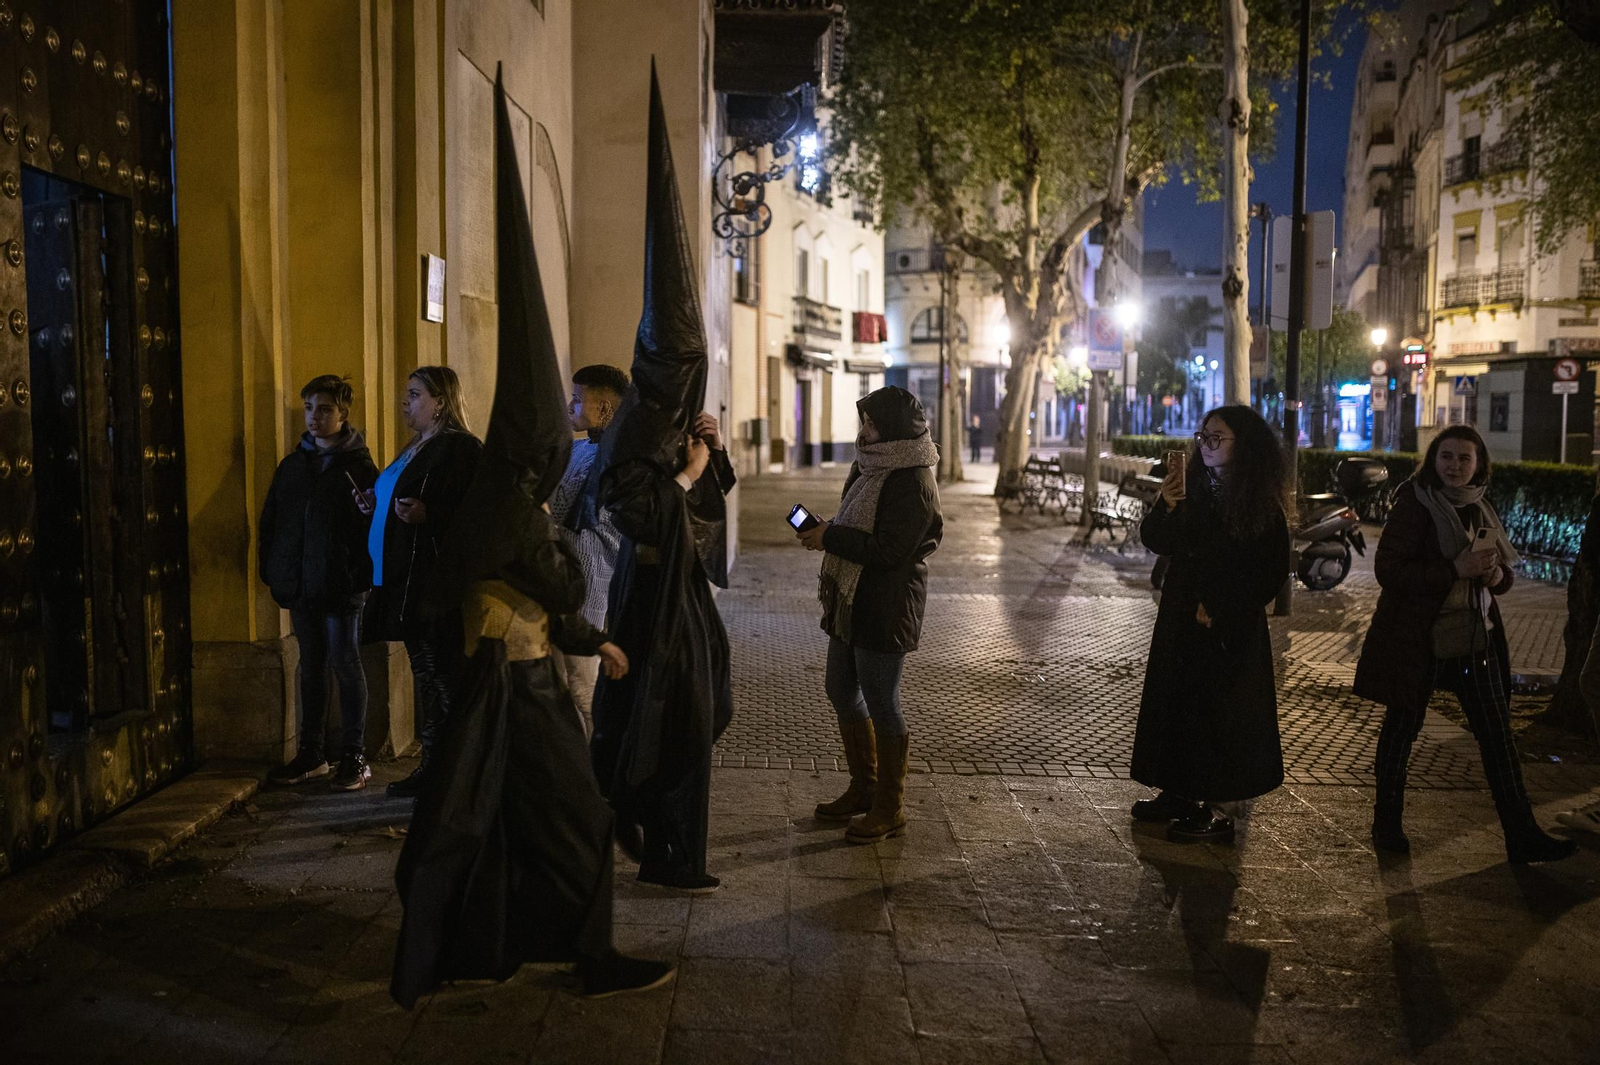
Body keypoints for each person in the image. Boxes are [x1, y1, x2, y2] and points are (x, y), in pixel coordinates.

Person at [392, 68, 673, 1006]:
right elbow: (556, 579)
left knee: (484, 821)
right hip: (519, 683)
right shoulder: (512, 507)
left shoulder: (489, 499)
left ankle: (473, 949)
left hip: (491, 682)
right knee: (579, 821)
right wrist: (598, 636)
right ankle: (590, 956)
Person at [589, 66, 736, 894]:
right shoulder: (643, 421)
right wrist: (683, 473)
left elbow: (709, 503)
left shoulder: (676, 417)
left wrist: (711, 457)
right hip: (648, 601)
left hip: (682, 597)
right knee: (667, 720)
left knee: (688, 717)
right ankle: (661, 839)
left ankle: (663, 836)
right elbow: (631, 502)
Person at [1354, 426, 1577, 863]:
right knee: (1401, 733)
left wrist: (1497, 576)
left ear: (1478, 465)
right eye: (1447, 457)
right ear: (1433, 461)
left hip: (1476, 640)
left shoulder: (1480, 508)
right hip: (1418, 641)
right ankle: (1387, 823)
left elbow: (1501, 573)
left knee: (1497, 737)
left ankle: (1522, 833)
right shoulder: (1414, 506)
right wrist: (1454, 567)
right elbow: (1390, 571)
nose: (1454, 466)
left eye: (1464, 459)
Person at [1130, 405, 1290, 844]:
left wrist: (1220, 607)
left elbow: (1268, 572)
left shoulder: (1260, 503)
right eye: (1203, 437)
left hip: (1227, 631)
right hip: (1183, 621)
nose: (1206, 445)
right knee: (1180, 706)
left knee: (1223, 716)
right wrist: (1166, 504)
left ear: (1245, 446)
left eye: (1217, 438)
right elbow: (1156, 540)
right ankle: (1179, 791)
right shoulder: (1195, 490)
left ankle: (1220, 808)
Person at [798, 386, 942, 844]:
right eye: (864, 421)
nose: (865, 431)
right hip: (851, 597)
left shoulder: (914, 479)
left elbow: (889, 550)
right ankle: (863, 786)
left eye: (872, 423)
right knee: (840, 687)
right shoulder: (868, 466)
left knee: (882, 699)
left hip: (885, 603)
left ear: (894, 428)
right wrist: (828, 529)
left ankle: (889, 805)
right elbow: (853, 523)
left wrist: (830, 538)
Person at [355, 365, 482, 799]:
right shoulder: (416, 446)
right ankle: (436, 767)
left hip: (430, 584)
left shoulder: (461, 448)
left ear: (441, 401)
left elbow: (474, 515)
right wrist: (376, 502)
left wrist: (431, 515)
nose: (405, 402)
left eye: (413, 394)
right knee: (427, 675)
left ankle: (451, 773)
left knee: (441, 677)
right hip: (398, 576)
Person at [260, 375, 380, 790]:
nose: (315, 417)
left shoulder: (361, 467)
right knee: (310, 664)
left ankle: (354, 755)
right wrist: (273, 570)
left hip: (341, 585)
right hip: (302, 584)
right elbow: (272, 520)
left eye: (325, 409)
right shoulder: (293, 465)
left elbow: (373, 528)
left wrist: (360, 566)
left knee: (345, 662)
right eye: (310, 408)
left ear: (343, 414)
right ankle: (312, 754)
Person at [549, 363, 630, 737]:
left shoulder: (619, 460)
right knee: (559, 690)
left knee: (584, 689)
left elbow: (565, 515)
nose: (570, 406)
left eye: (578, 399)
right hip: (559, 586)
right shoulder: (577, 450)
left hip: (589, 591)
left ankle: (598, 778)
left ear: (604, 411)